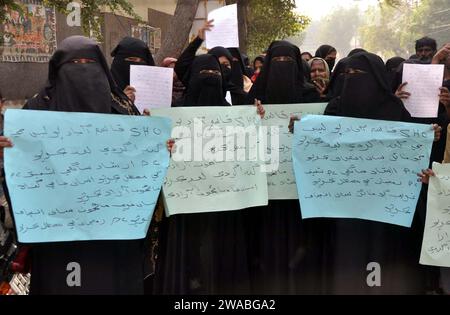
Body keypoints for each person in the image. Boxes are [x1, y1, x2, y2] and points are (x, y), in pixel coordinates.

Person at [0, 36, 173, 295]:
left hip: (113, 235)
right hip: (58, 234)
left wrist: (158, 148)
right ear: (58, 70)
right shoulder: (37, 110)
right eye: (74, 63)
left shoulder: (122, 109)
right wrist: (9, 152)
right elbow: (23, 173)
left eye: (89, 62)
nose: (82, 69)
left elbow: (140, 165)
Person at [322, 51, 442, 294]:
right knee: (351, 252)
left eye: (359, 74)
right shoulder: (335, 107)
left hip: (388, 204)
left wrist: (430, 136)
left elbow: (412, 147)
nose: (352, 79)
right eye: (347, 74)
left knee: (384, 251)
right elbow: (321, 146)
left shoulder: (393, 107)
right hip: (348, 203)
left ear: (375, 78)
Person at [154, 49, 265, 294]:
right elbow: (157, 156)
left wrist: (255, 117)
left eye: (214, 74)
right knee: (191, 260)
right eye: (203, 73)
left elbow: (249, 148)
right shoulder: (173, 112)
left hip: (224, 207)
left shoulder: (234, 114)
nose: (209, 78)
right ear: (191, 77)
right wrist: (162, 144)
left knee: (220, 257)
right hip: (185, 210)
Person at [246, 40, 323, 294]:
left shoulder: (311, 96)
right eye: (276, 62)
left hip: (299, 191)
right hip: (265, 190)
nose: (282, 67)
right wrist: (250, 116)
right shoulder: (254, 98)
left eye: (287, 63)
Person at [173, 20, 248, 106]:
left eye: (216, 72)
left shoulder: (228, 103)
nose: (211, 75)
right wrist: (198, 40)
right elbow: (181, 66)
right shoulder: (178, 107)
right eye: (205, 71)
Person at [110, 37, 156, 103]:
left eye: (142, 61)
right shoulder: (104, 88)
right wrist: (121, 101)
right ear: (119, 61)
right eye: (131, 59)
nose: (138, 64)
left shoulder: (155, 90)